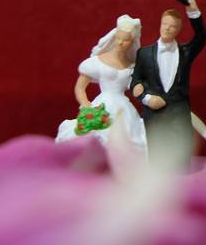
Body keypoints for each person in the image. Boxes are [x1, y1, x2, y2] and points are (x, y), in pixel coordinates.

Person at [131, 0, 206, 171]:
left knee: (181, 158)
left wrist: (193, 10)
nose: (167, 29)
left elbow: (202, 36)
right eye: (165, 24)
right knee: (157, 160)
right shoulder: (144, 53)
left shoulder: (186, 52)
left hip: (178, 114)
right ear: (160, 24)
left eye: (172, 27)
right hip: (154, 115)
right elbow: (135, 83)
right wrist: (146, 98)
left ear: (178, 30)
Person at [56, 14, 147, 152]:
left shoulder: (133, 66)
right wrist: (86, 104)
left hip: (123, 108)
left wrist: (141, 88)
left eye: (126, 40)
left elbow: (135, 88)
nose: (120, 43)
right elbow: (80, 88)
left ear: (132, 42)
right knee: (99, 133)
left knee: (127, 136)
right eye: (118, 38)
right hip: (102, 105)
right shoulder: (99, 61)